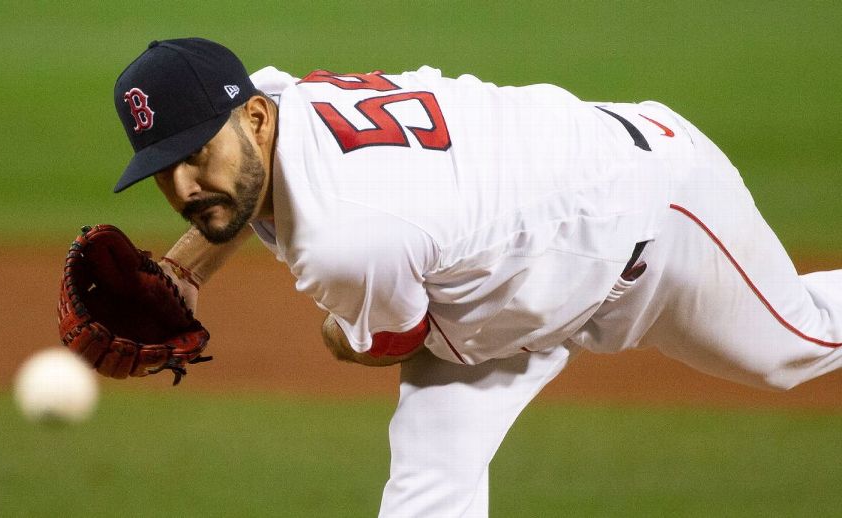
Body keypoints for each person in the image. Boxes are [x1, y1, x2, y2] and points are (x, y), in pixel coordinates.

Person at [112, 38, 842, 516]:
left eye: (197, 154)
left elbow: (390, 341)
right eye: (162, 169)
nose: (183, 186)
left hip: (650, 204)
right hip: (510, 280)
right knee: (428, 489)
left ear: (256, 120)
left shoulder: (346, 238)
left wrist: (337, 330)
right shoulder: (277, 99)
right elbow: (244, 163)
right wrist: (182, 271)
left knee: (798, 347)